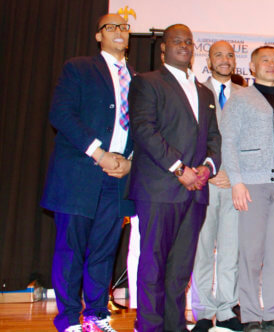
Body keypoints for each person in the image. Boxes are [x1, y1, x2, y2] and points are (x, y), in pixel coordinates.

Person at [41, 13, 133, 332]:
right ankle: (68, 320)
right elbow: (61, 113)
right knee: (71, 249)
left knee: (105, 250)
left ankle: (97, 316)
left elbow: (143, 125)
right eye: (112, 27)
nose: (120, 32)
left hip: (117, 179)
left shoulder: (139, 78)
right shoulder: (79, 67)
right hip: (80, 172)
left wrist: (129, 160)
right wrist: (99, 152)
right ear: (98, 36)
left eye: (124, 27)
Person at [128, 23, 221, 332]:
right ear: (164, 48)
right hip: (160, 189)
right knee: (153, 264)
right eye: (177, 41)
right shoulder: (147, 82)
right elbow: (144, 129)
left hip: (195, 193)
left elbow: (213, 139)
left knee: (180, 269)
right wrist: (180, 169)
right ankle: (150, 327)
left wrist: (207, 168)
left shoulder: (205, 92)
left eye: (189, 41)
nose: (185, 45)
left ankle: (174, 326)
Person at [221, 46, 274, 332]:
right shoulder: (240, 99)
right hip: (251, 186)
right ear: (253, 68)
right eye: (265, 60)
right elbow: (229, 142)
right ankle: (250, 316)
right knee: (250, 253)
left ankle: (273, 314)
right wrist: (237, 181)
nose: (272, 64)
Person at [190, 40, 243, 332]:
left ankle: (226, 310)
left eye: (229, 55)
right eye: (218, 55)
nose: (225, 59)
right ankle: (202, 311)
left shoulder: (247, 96)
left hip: (234, 185)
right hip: (203, 183)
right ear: (208, 60)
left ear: (235, 61)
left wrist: (235, 176)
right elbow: (189, 136)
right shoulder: (196, 91)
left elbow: (252, 144)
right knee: (202, 249)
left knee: (230, 250)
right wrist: (209, 172)